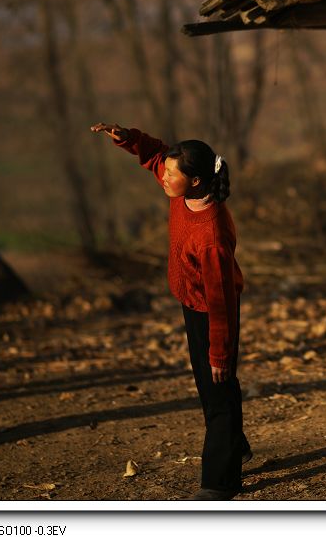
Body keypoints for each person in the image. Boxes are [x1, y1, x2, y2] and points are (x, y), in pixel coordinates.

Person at [91, 122, 251, 501]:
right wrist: (129, 138)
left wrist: (219, 350)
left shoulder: (210, 236)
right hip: (192, 304)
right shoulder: (185, 194)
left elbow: (222, 302)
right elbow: (157, 155)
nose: (165, 176)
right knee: (213, 387)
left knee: (218, 387)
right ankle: (235, 446)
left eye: (173, 174)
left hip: (213, 315)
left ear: (194, 181)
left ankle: (219, 481)